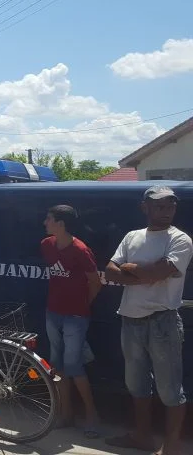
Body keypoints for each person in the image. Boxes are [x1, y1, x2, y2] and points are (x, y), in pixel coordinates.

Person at [105, 186, 192, 455]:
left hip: (162, 322)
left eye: (171, 206)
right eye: (159, 206)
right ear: (145, 207)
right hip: (130, 319)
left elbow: (157, 273)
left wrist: (130, 268)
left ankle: (171, 447)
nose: (166, 211)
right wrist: (144, 274)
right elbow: (110, 271)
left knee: (170, 389)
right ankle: (142, 437)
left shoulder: (180, 240)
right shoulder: (132, 236)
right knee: (136, 385)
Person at [40, 205, 102, 436]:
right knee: (57, 365)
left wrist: (82, 304)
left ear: (61, 224)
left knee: (74, 366)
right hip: (53, 312)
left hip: (75, 317)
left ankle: (92, 416)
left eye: (49, 219)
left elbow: (95, 282)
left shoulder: (80, 250)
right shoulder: (47, 245)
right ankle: (66, 414)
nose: (45, 223)